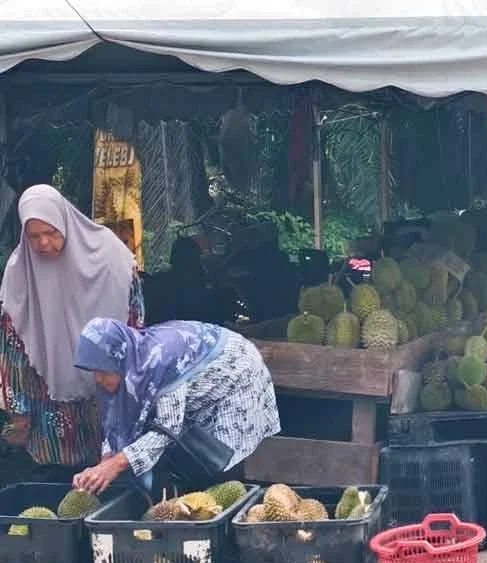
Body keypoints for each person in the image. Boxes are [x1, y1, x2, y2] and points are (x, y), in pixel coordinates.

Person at [0, 185, 144, 483]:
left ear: (64, 221)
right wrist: (18, 408)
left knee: (110, 471)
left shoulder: (110, 254)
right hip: (49, 397)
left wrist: (132, 381)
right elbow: (13, 345)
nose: (43, 243)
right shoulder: (19, 271)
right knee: (56, 481)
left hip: (106, 385)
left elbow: (134, 324)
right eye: (33, 236)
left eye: (51, 232)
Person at [70, 318, 280, 496]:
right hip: (197, 387)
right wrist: (104, 463)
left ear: (121, 360)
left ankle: (221, 524)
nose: (98, 379)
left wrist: (115, 465)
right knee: (185, 459)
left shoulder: (161, 364)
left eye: (104, 371)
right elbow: (116, 421)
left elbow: (167, 429)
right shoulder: (132, 367)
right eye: (94, 371)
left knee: (217, 461)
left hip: (237, 374)